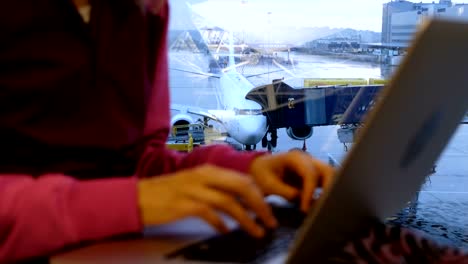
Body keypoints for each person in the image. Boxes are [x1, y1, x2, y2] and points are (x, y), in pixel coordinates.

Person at [0, 0, 335, 263]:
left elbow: (136, 162)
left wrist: (248, 172)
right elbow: (137, 192)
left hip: (117, 250)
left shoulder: (145, 10)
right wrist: (128, 204)